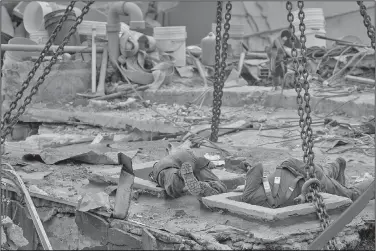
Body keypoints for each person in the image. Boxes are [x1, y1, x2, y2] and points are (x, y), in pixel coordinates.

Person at [236, 157, 374, 208]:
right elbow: (258, 167)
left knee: (350, 194)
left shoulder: (250, 197)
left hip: (301, 174)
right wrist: (249, 178)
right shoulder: (249, 195)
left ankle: (336, 167)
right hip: (302, 175)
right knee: (327, 177)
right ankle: (336, 165)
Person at [149, 148, 227, 199]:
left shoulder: (161, 164)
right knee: (217, 183)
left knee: (173, 184)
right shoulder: (197, 159)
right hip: (185, 164)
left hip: (163, 168)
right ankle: (207, 185)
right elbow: (207, 166)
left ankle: (181, 177)